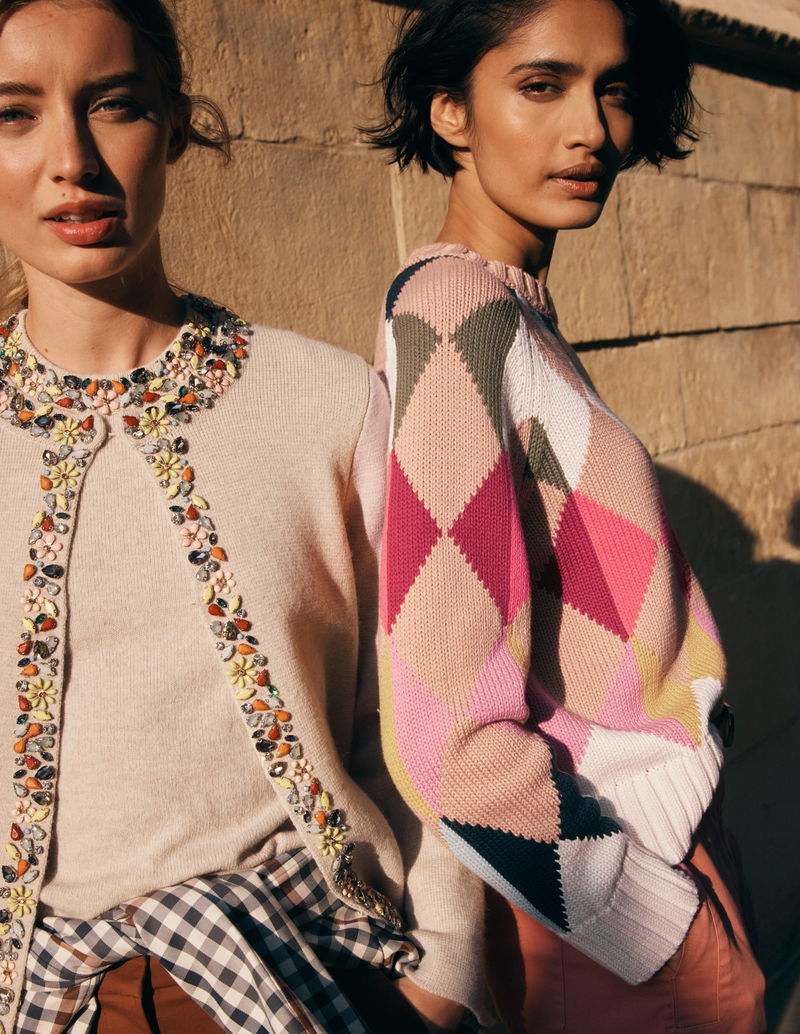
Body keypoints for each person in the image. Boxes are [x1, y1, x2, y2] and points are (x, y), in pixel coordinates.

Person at [0, 1, 485, 1032]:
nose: (71, 161)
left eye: (115, 105)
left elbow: (421, 712)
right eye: (13, 114)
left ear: (176, 124)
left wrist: (443, 974)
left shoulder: (326, 400)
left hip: (320, 973)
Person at [365, 0, 766, 1030]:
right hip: (610, 907)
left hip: (648, 861)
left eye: (613, 90)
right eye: (540, 86)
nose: (590, 129)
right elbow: (444, 725)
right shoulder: (454, 315)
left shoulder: (508, 311)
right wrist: (657, 926)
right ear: (450, 110)